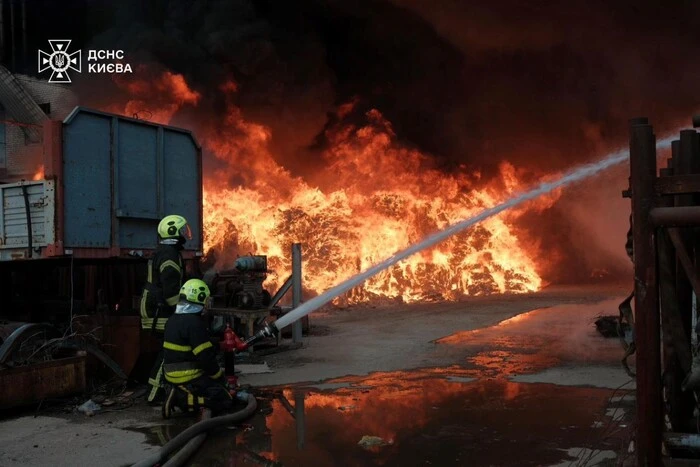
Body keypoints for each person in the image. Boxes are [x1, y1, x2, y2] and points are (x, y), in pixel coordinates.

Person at [161, 278, 233, 417]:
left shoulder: (172, 320)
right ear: (198, 299)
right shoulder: (195, 323)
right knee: (225, 399)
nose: (207, 304)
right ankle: (182, 399)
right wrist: (220, 377)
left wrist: (218, 345)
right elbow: (206, 358)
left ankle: (179, 393)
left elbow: (192, 344)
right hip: (189, 377)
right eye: (206, 300)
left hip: (170, 377)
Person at [141, 214, 191, 403]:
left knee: (169, 349)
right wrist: (186, 311)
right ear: (174, 232)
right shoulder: (169, 255)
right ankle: (154, 393)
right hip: (158, 311)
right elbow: (171, 293)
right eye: (182, 230)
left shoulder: (166, 251)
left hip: (156, 307)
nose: (185, 234)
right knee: (169, 351)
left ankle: (166, 388)